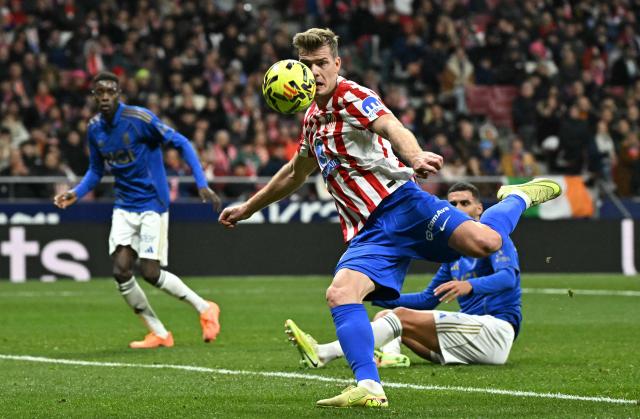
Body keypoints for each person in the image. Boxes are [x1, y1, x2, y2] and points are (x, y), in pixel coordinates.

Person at [219, 28, 561, 408]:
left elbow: (391, 126)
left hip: (403, 205)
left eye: (320, 64)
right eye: (306, 65)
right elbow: (295, 173)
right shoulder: (313, 120)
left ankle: (515, 197)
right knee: (340, 293)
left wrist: (414, 156)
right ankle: (370, 386)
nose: (313, 72)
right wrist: (248, 208)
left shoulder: (355, 96)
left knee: (486, 243)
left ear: (336, 63)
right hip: (369, 232)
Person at [54, 72, 222, 349]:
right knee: (121, 270)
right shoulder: (94, 128)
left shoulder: (139, 119)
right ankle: (159, 333)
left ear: (119, 93)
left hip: (152, 203)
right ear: (94, 96)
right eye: (100, 92)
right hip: (124, 205)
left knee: (150, 273)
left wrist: (201, 183)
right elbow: (96, 171)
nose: (105, 96)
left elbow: (181, 142)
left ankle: (205, 308)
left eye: (110, 91)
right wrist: (76, 193)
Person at [285, 182, 522, 371]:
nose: (458, 208)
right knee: (387, 314)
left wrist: (469, 285)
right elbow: (427, 299)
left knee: (399, 318)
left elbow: (508, 278)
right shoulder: (453, 258)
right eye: (453, 204)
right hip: (468, 334)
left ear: (479, 208)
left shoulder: (495, 240)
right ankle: (391, 357)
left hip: (497, 330)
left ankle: (326, 352)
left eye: (465, 203)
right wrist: (365, 296)